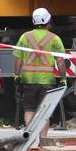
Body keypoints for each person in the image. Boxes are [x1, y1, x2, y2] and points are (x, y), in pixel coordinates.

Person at [14, 8, 65, 138]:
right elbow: (60, 62)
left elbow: (17, 59)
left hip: (28, 80)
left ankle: (30, 138)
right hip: (47, 82)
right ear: (48, 20)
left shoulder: (25, 37)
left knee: (29, 109)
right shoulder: (55, 39)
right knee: (44, 112)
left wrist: (17, 76)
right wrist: (63, 78)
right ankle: (43, 141)